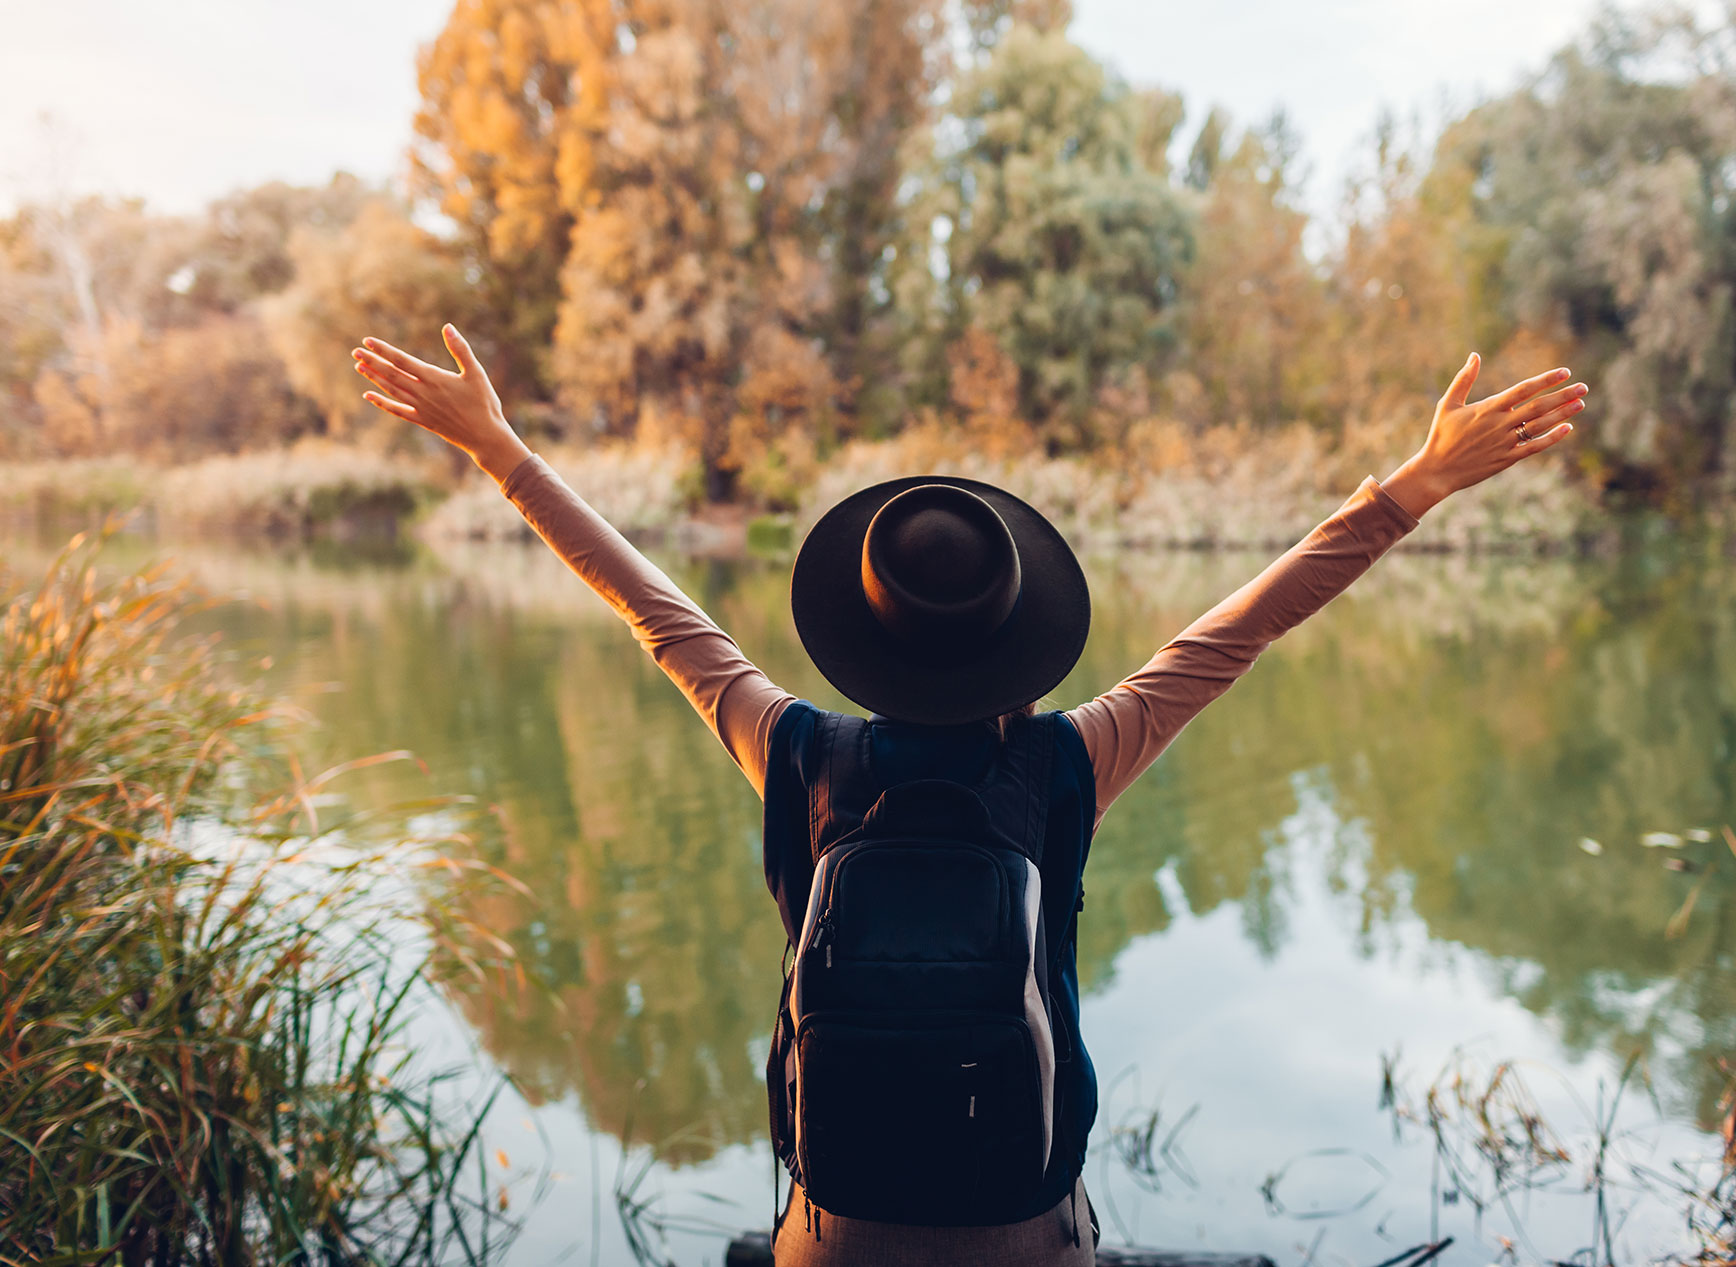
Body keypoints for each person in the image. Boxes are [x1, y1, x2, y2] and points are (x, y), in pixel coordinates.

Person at [349, 326, 1585, 1266]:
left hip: (832, 1230)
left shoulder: (794, 751)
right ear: (1020, 631)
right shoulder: (1067, 761)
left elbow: (652, 609)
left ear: (859, 629)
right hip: (1024, 1223)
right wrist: (1412, 486)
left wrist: (499, 450)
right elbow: (1242, 625)